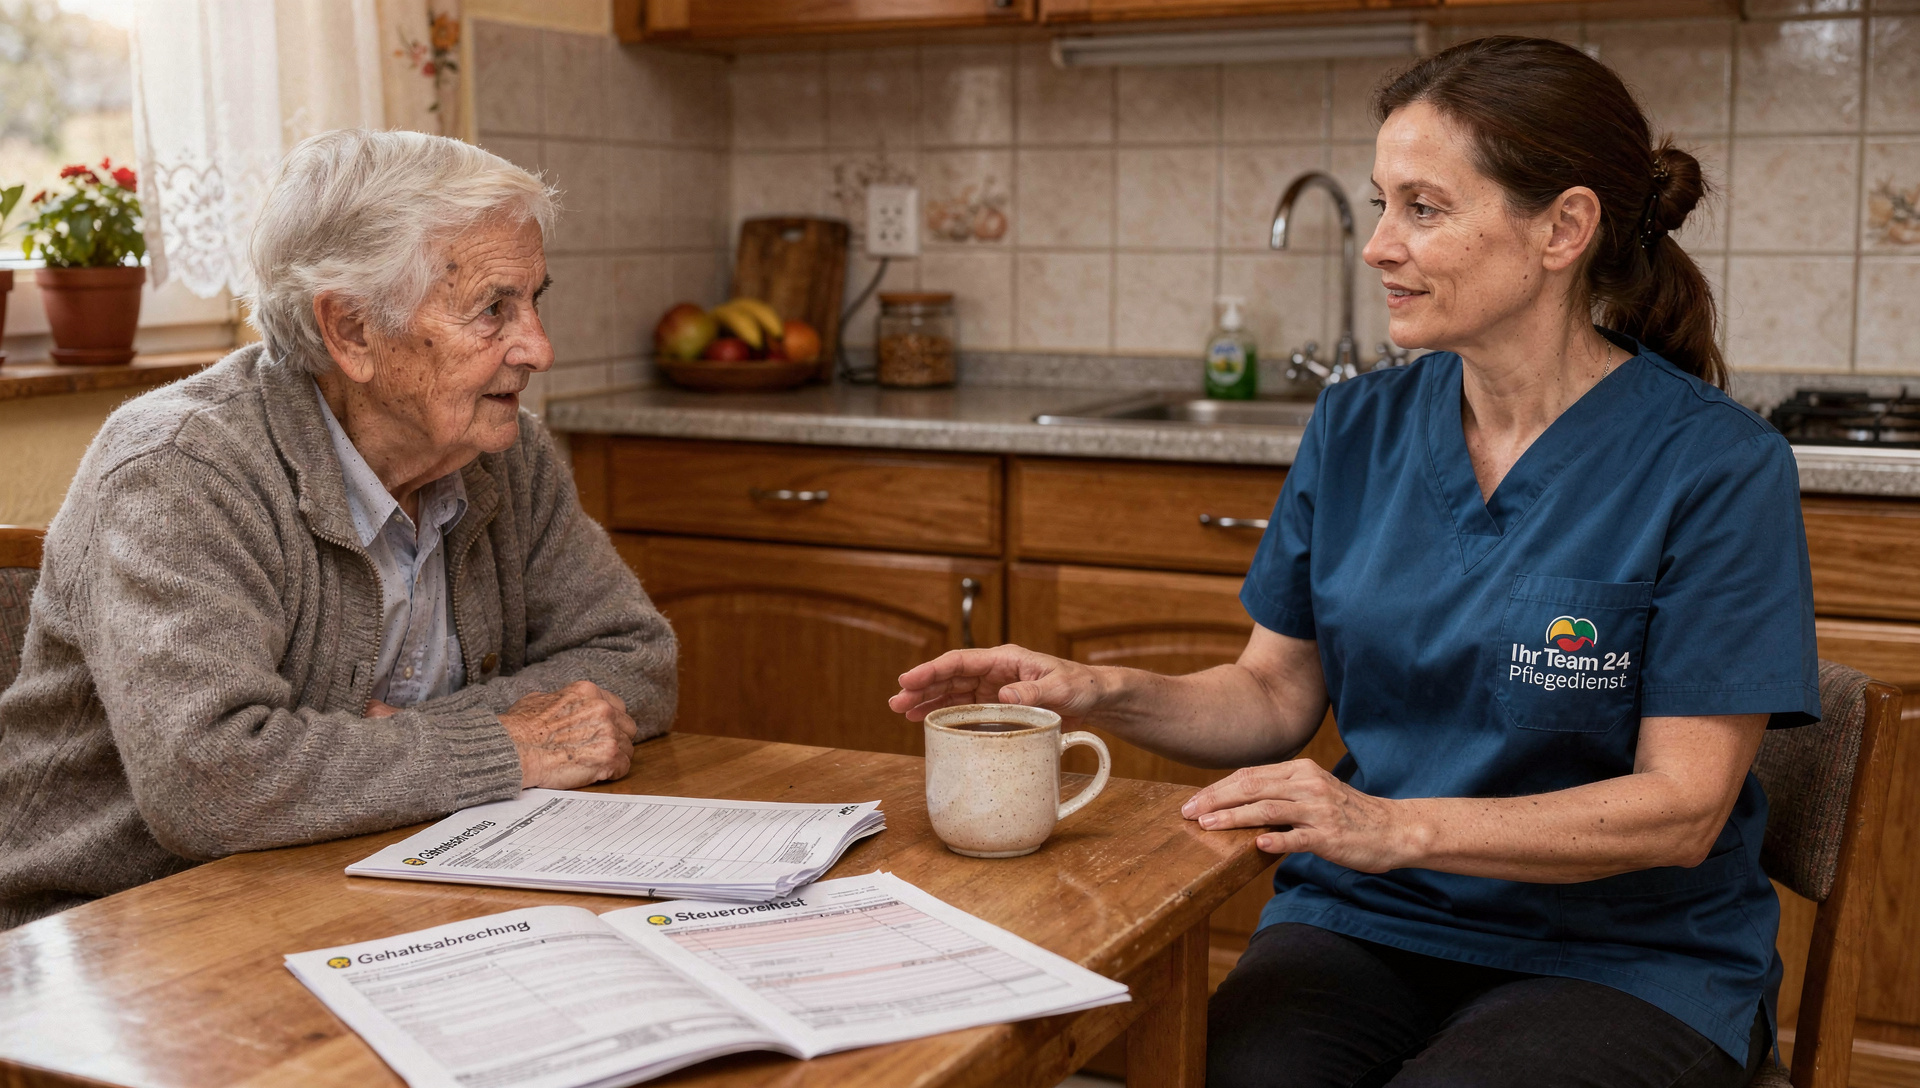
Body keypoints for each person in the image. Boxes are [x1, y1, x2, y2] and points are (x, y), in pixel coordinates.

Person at [890, 37, 1816, 1088]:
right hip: (1373, 916)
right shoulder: (1357, 426)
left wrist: (1389, 822)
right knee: (1237, 1070)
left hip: (1631, 957)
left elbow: (1685, 806)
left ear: (1563, 227)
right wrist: (1096, 689)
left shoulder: (1715, 464)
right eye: (1382, 204)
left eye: (1422, 207)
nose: (1378, 246)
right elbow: (1273, 693)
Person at [0, 130, 676, 930]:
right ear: (351, 331)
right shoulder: (179, 470)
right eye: (493, 309)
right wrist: (506, 745)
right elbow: (209, 784)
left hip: (371, 877)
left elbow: (636, 661)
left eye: (534, 299)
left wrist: (377, 748)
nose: (538, 347)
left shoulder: (505, 452)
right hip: (113, 925)